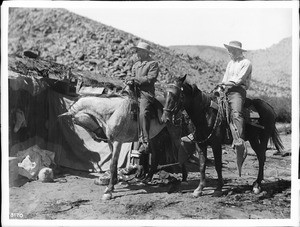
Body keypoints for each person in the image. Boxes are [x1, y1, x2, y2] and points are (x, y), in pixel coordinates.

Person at [219, 40, 252, 176]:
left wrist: (225, 84)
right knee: (214, 109)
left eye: (231, 50)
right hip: (227, 90)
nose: (229, 52)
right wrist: (221, 85)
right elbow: (225, 77)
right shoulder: (230, 63)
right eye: (229, 49)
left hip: (237, 91)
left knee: (236, 113)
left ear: (238, 51)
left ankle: (238, 139)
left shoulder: (246, 63)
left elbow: (239, 80)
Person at [129, 41, 159, 152]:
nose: (137, 53)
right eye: (136, 51)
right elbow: (131, 76)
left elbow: (151, 78)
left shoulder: (153, 63)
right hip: (134, 91)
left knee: (143, 112)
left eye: (139, 51)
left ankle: (145, 140)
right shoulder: (136, 64)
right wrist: (129, 81)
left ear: (146, 52)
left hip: (146, 93)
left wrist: (135, 80)